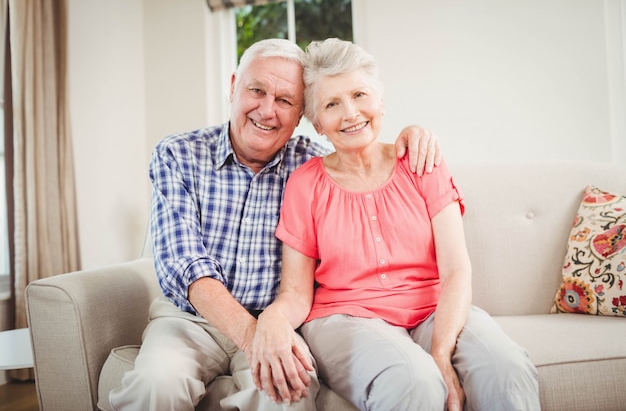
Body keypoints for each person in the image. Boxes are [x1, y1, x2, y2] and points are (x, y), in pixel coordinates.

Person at [103, 38, 441, 411]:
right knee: (156, 384)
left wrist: (412, 136)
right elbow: (186, 266)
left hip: (278, 321)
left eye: (284, 101)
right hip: (190, 321)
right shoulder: (178, 154)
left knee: (288, 397)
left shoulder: (314, 169)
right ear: (233, 86)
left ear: (300, 115)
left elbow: (366, 155)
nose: (267, 110)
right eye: (256, 90)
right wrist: (254, 336)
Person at [251, 38, 541, 411]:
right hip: (344, 318)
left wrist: (441, 351)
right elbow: (295, 292)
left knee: (507, 368)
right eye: (332, 104)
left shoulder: (423, 162)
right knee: (414, 382)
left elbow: (456, 270)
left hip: (433, 309)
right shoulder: (305, 184)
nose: (351, 112)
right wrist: (271, 321)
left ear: (381, 102)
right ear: (318, 124)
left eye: (359, 94)